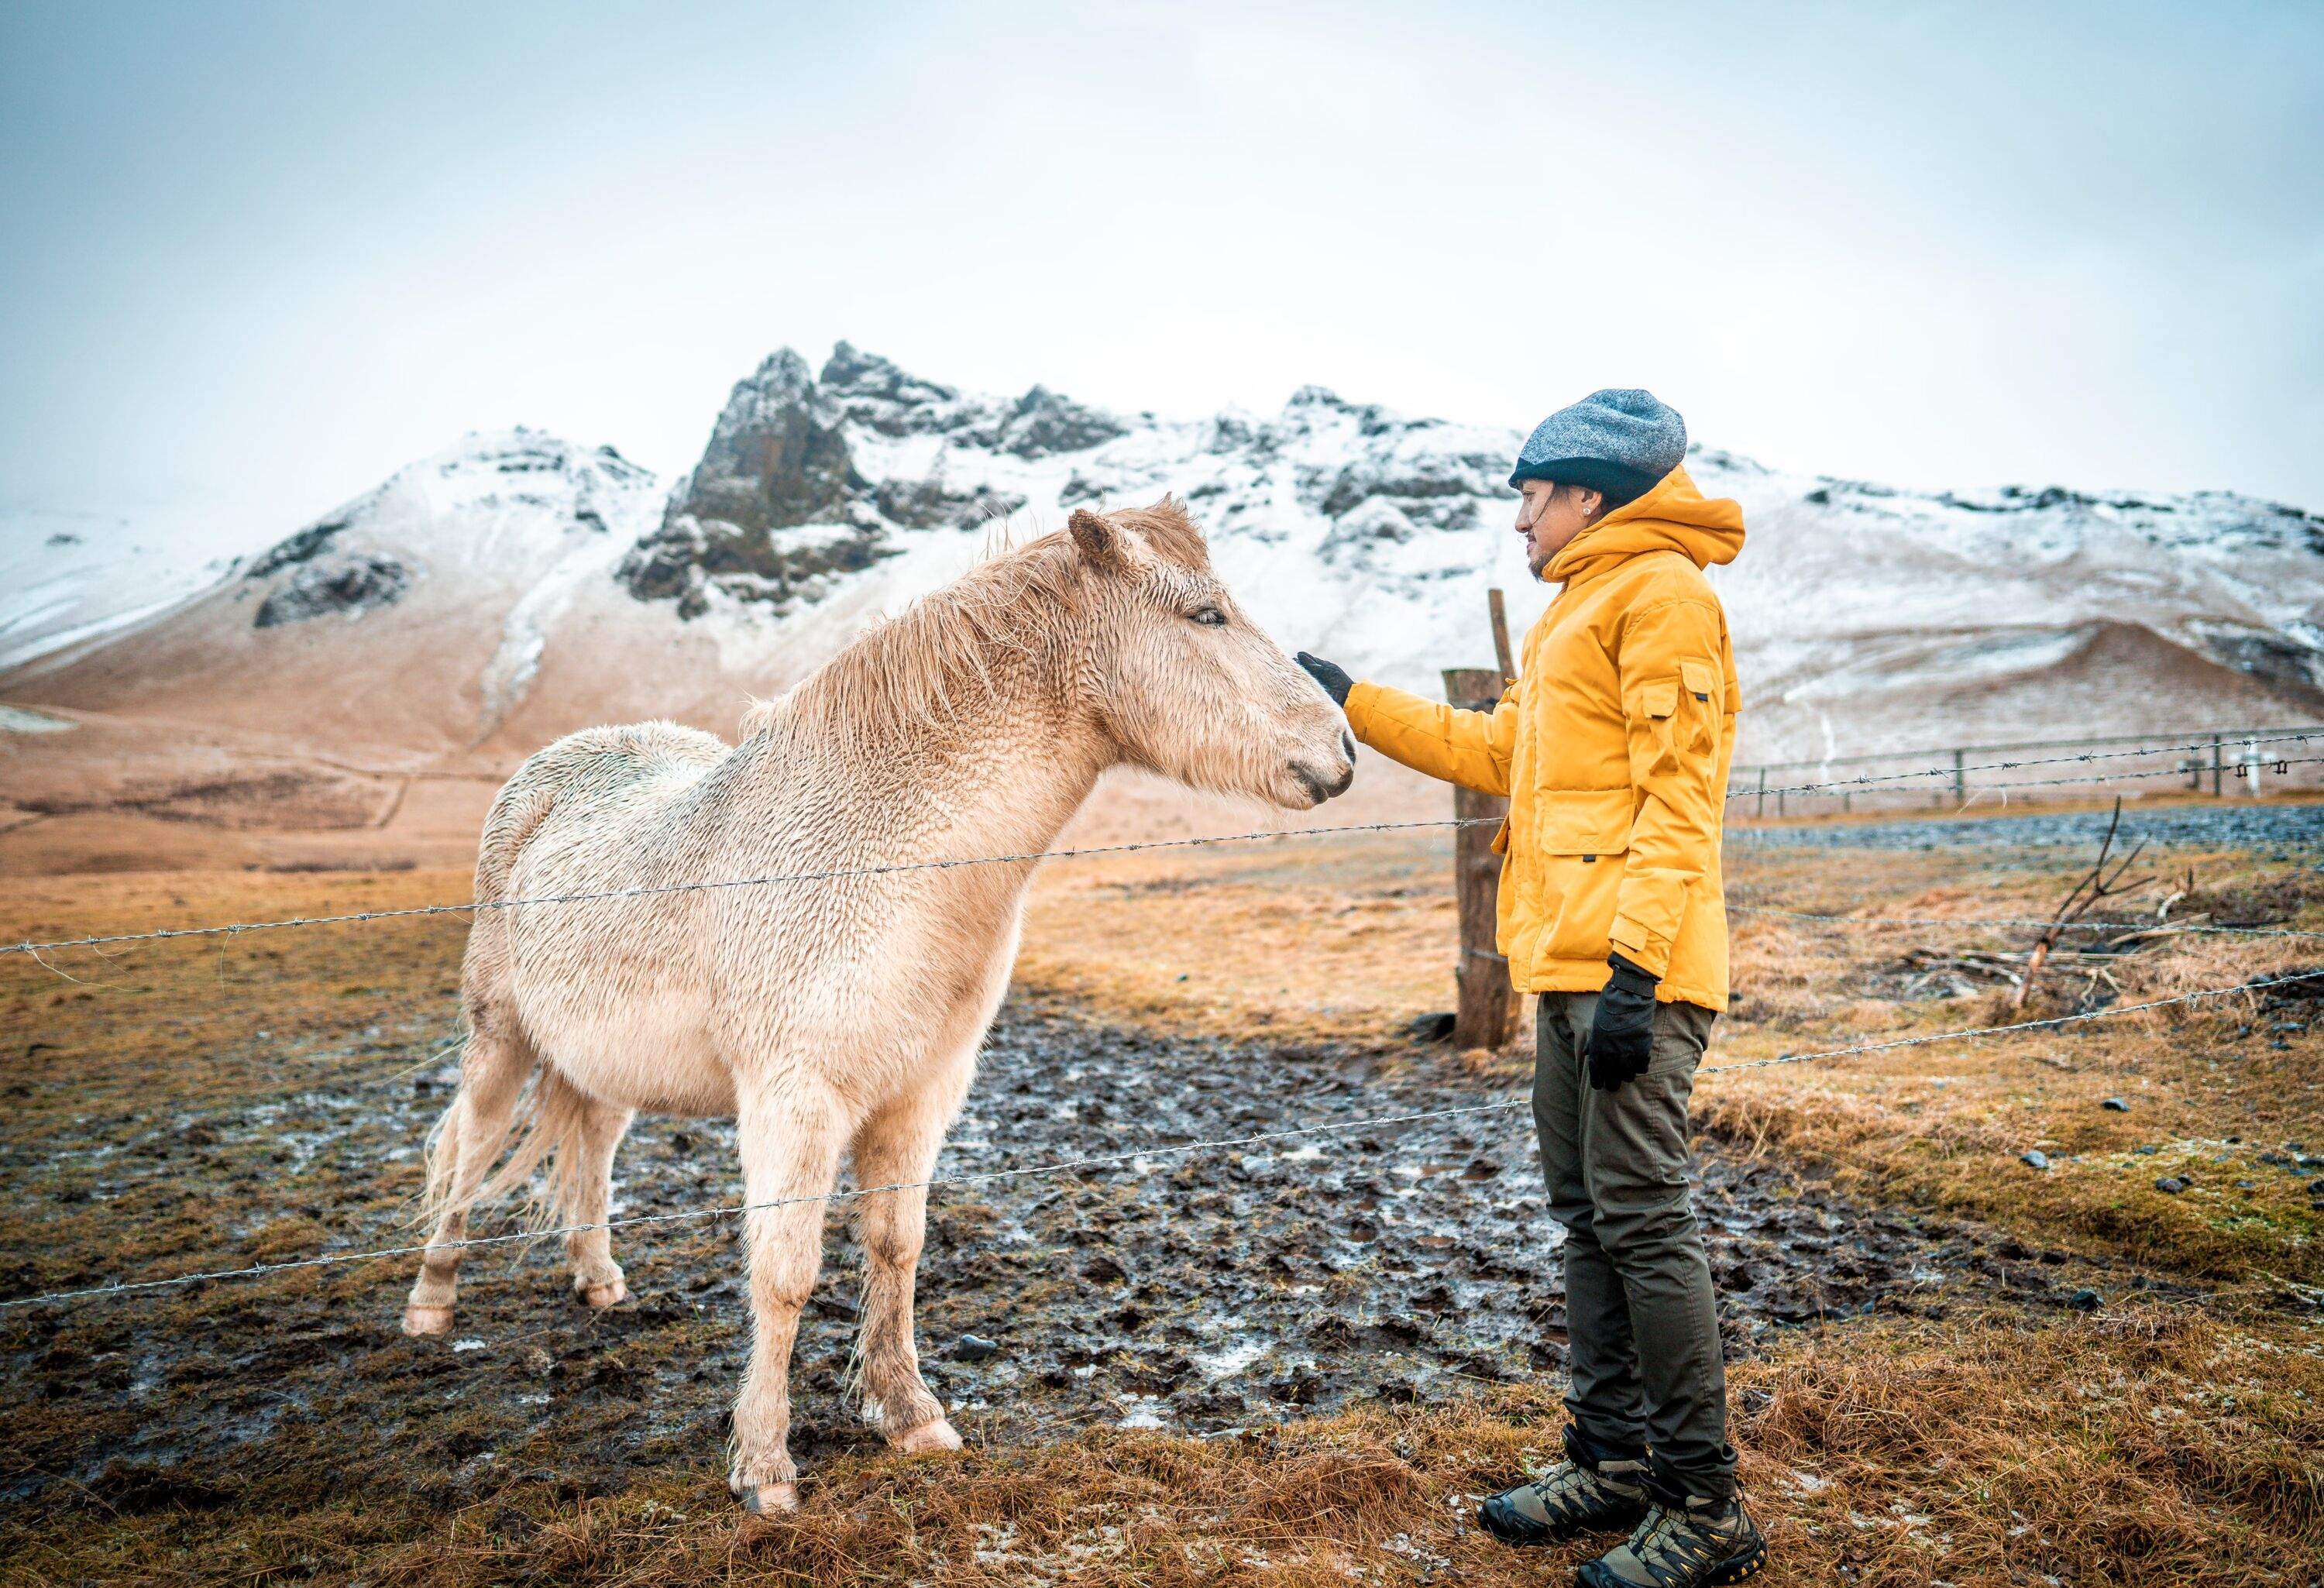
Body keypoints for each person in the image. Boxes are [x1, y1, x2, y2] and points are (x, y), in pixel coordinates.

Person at [1297, 390, 1763, 1586]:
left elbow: (1682, 796)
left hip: (1631, 978)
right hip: (1568, 971)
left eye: (1532, 494)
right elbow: (1500, 752)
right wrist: (1349, 700)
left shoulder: (1660, 595)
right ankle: (1609, 1462)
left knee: (1647, 1222)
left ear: (1588, 495)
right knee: (1589, 1221)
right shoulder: (1580, 611)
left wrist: (1638, 972)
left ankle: (1707, 1507)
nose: (1519, 519)